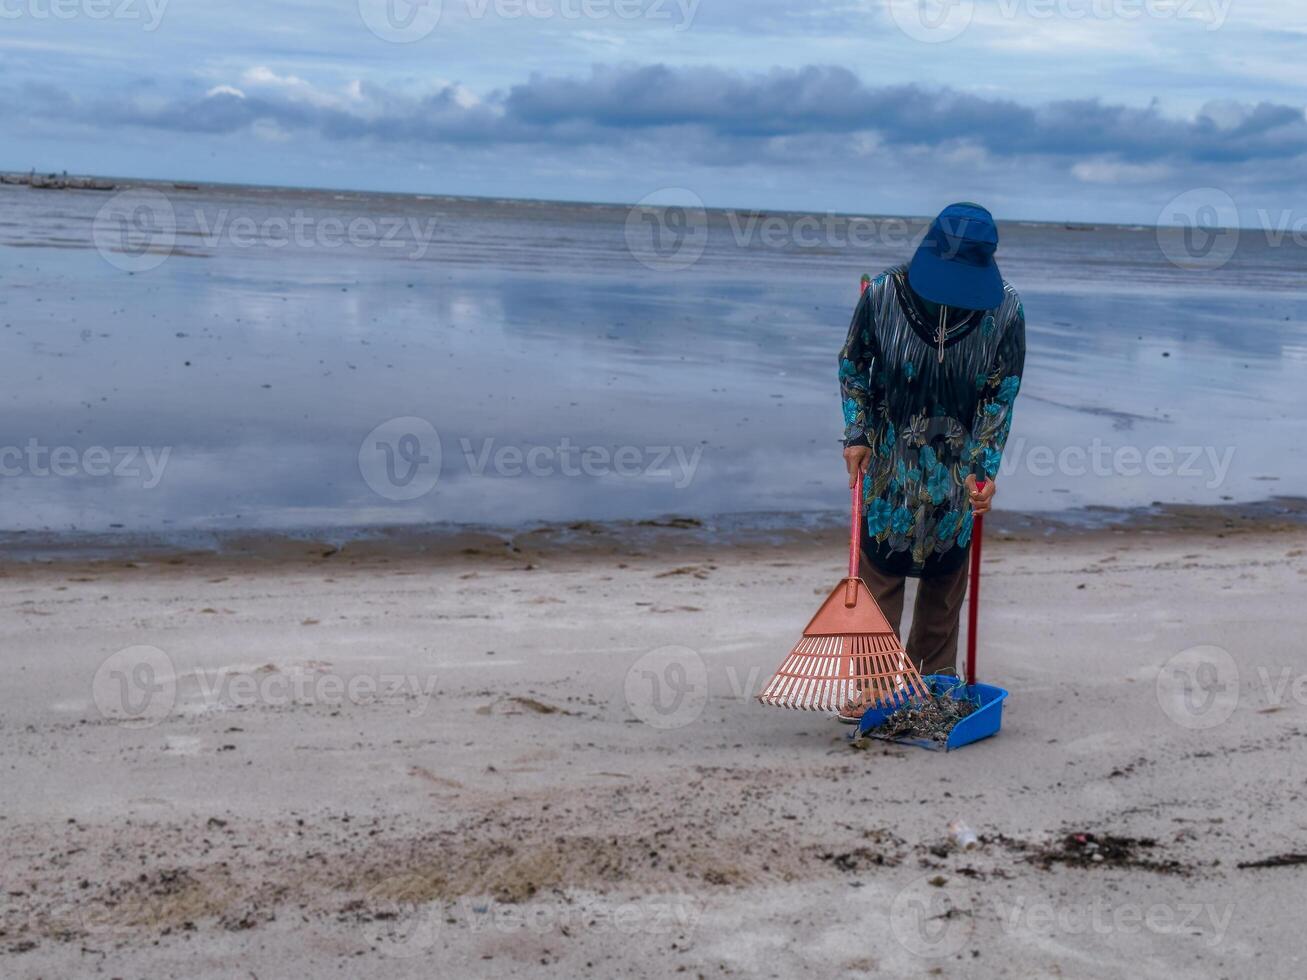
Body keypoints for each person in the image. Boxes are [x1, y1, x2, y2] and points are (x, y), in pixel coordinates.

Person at [838, 202, 1025, 719]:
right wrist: (855, 433)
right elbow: (854, 364)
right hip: (890, 455)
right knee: (880, 569)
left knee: (945, 579)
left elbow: (1000, 394)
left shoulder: (1006, 310)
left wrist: (983, 468)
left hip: (956, 465)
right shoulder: (882, 295)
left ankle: (930, 686)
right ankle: (874, 688)